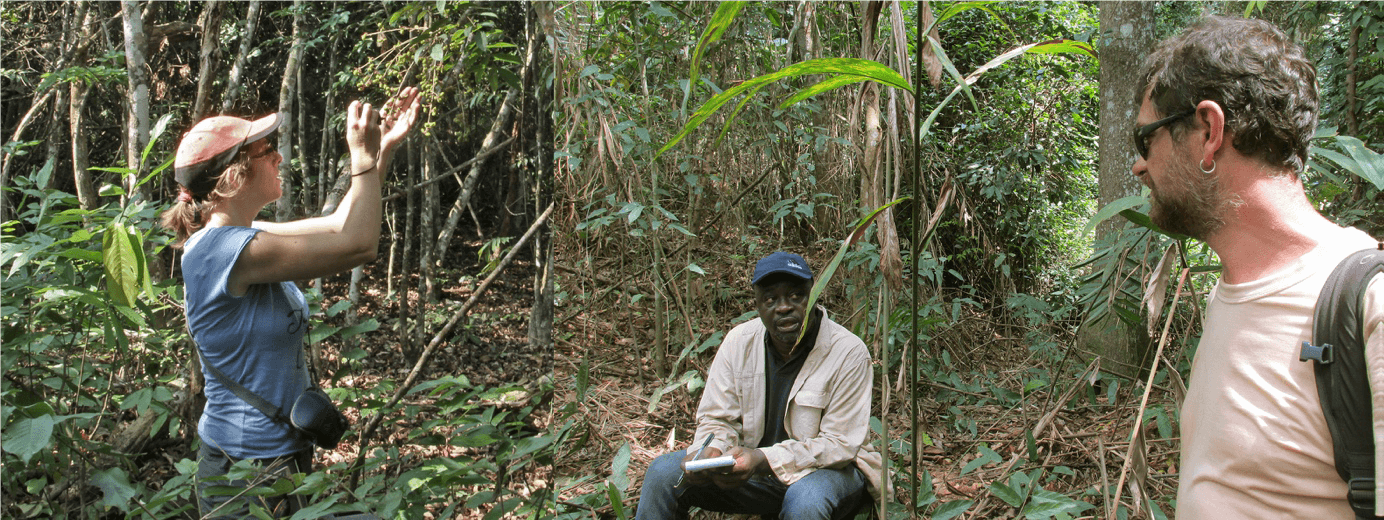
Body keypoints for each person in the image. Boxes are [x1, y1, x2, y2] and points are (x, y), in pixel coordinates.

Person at [1129, 15, 1383, 517]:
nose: (1139, 165)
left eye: (1146, 141)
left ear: (1208, 131)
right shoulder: (1234, 288)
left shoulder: (1367, 305)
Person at [160, 87, 420, 518]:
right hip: (244, 473)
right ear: (232, 177)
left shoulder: (242, 236)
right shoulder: (221, 252)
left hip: (280, 462)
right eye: (267, 151)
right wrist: (360, 156)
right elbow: (358, 244)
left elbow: (341, 225)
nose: (279, 157)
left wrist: (382, 149)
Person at [635, 251, 883, 520]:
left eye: (796, 296)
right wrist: (711, 453)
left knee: (806, 500)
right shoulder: (738, 342)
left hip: (828, 474)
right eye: (771, 299)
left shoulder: (848, 352)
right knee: (663, 474)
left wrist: (763, 460)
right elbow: (717, 418)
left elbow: (839, 445)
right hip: (757, 475)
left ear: (813, 294)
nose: (784, 306)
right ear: (758, 305)